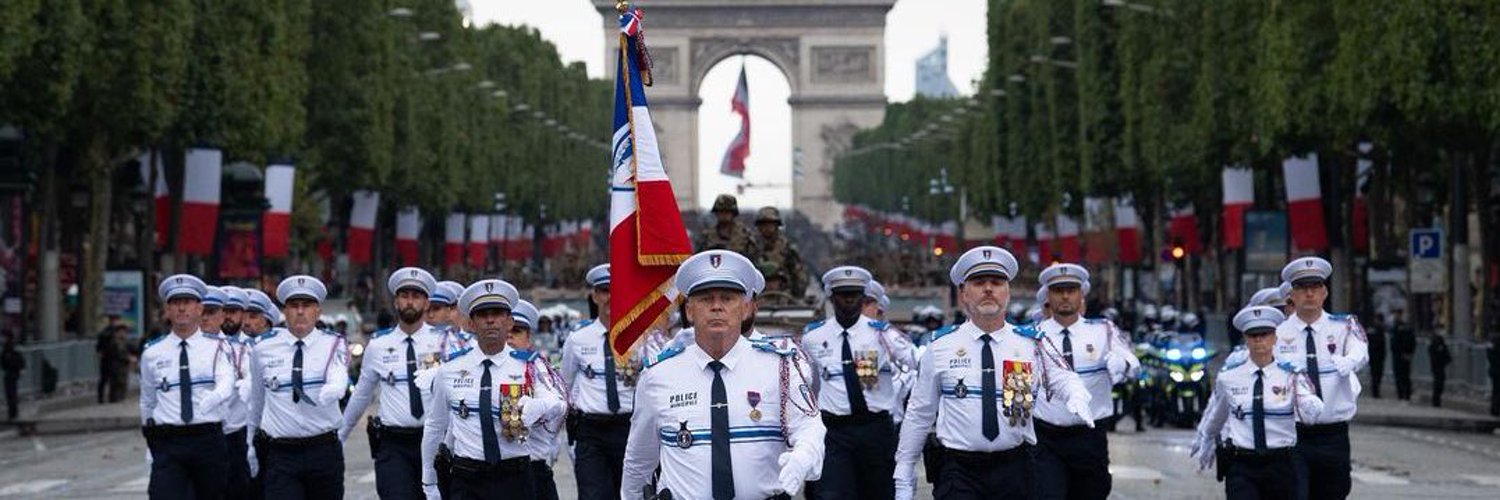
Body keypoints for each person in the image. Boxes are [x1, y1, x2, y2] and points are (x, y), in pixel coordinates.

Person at [621, 249, 826, 500]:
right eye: (706, 299)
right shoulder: (658, 375)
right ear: (689, 311)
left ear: (746, 308)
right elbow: (639, 460)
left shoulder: (781, 367)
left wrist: (803, 457)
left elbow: (810, 428)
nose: (717, 306)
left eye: (727, 298)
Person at [895, 246, 1094, 500]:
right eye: (979, 282)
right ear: (963, 293)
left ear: (1007, 292)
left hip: (1015, 469)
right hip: (958, 471)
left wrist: (1076, 395)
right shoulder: (940, 346)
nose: (989, 289)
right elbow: (920, 413)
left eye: (997, 282)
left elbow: (1063, 376)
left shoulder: (1032, 343)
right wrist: (904, 467)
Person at [420, 279, 566, 500]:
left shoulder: (528, 365)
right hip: (467, 477)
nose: (490, 320)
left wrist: (540, 405)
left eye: (497, 313)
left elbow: (558, 402)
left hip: (514, 475)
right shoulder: (450, 369)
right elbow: (435, 425)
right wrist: (429, 481)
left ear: (509, 321)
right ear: (471, 323)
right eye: (482, 314)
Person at [341, 268, 466, 499]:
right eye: (404, 295)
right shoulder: (379, 345)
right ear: (396, 301)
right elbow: (361, 395)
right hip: (394, 445)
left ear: (426, 302)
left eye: (416, 296)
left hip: (437, 441)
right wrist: (341, 435)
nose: (410, 302)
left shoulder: (447, 341)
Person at [801, 266, 913, 499]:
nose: (849, 300)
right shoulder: (813, 337)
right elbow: (806, 385)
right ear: (832, 298)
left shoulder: (882, 334)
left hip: (875, 429)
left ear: (863, 298)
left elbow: (917, 363)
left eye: (854, 295)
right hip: (834, 431)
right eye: (843, 295)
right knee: (830, 493)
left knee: (878, 493)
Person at [1191, 306, 1325, 500]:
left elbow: (1306, 403)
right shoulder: (1229, 378)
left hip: (1281, 462)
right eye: (1253, 335)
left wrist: (1312, 404)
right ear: (1246, 339)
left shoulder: (1292, 375)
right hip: (1243, 464)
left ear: (1274, 338)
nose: (1259, 340)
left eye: (1265, 334)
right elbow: (1217, 416)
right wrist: (1207, 439)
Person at [1032, 263, 1139, 500]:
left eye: (1071, 289)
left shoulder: (1103, 330)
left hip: (1090, 436)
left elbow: (1131, 361)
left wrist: (1122, 363)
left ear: (1082, 294)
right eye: (1058, 290)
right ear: (1048, 295)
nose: (1065, 296)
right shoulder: (1033, 334)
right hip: (1046, 437)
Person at [246, 275, 350, 499]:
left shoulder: (334, 344)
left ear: (318, 312)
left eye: (306, 306)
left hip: (323, 450)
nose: (300, 311)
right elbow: (257, 401)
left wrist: (336, 387)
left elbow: (339, 374)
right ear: (285, 312)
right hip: (281, 454)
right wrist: (250, 445)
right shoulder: (263, 349)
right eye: (294, 306)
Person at [1276, 257, 1367, 500]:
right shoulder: (1277, 334)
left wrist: (1350, 361)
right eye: (1302, 288)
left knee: (1334, 492)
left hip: (1333, 434)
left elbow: (1360, 350)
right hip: (1292, 434)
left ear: (1324, 292)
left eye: (1315, 287)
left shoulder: (1344, 327)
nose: (1309, 294)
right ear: (1292, 295)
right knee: (1296, 493)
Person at [140, 274, 236, 499]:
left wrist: (216, 396)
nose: (181, 308)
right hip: (169, 441)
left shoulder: (218, 348)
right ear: (167, 310)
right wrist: (151, 441)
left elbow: (227, 381)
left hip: (207, 438)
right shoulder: (152, 353)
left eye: (187, 302)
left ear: (199, 308)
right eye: (175, 303)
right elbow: (148, 401)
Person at [561, 264, 636, 500]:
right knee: (593, 494)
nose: (611, 297)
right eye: (604, 291)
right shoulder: (577, 339)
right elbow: (565, 385)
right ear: (595, 296)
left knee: (630, 495)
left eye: (617, 290)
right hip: (592, 432)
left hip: (630, 428)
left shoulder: (639, 337)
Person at [509, 299, 568, 500]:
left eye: (516, 331)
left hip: (531, 467)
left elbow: (558, 403)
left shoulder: (536, 367)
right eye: (505, 330)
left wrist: (539, 406)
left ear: (528, 339)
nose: (509, 337)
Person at [202, 286, 255, 499]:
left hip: (235, 431)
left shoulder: (245, 348)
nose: (227, 317)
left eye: (232, 311)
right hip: (201, 432)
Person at [752, 206, 807, 296]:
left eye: (770, 224)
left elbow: (799, 275)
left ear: (777, 226)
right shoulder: (751, 247)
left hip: (783, 294)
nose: (766, 228)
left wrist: (797, 295)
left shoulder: (787, 248)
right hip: (757, 295)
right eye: (763, 225)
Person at [694, 194, 758, 258]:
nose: (724, 215)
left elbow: (753, 258)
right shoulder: (707, 235)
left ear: (733, 213)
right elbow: (698, 257)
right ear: (716, 213)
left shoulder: (745, 234)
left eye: (727, 212)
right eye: (721, 211)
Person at [96, 313, 123, 404]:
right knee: (106, 378)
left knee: (113, 378)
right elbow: (100, 346)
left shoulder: (115, 331)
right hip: (108, 358)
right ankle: (104, 398)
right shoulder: (107, 332)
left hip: (113, 358)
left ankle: (112, 397)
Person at [1390, 309, 1415, 401]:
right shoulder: (1395, 327)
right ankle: (1401, 394)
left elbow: (1410, 341)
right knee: (1399, 376)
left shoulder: (1404, 328)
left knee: (1404, 375)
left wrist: (1409, 353)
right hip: (1397, 355)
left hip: (1403, 355)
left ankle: (1405, 394)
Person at [4, 332, 26, 421]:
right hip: (14, 373)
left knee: (10, 394)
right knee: (13, 394)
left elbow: (4, 364)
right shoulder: (15, 352)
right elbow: (21, 362)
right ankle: (14, 413)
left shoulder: (6, 352)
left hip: (9, 373)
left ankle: (12, 413)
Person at [1367, 314, 1388, 398]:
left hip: (1374, 355)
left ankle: (1375, 391)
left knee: (1374, 374)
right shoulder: (1379, 330)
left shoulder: (1372, 329)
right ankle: (1375, 392)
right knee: (1377, 374)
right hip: (1377, 355)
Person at [1428, 334, 1451, 407]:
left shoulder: (1443, 346)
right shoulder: (1433, 346)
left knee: (1440, 383)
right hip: (1437, 367)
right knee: (1437, 383)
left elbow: (1448, 357)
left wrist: (1443, 362)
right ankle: (1436, 400)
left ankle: (1437, 399)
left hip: (1440, 367)